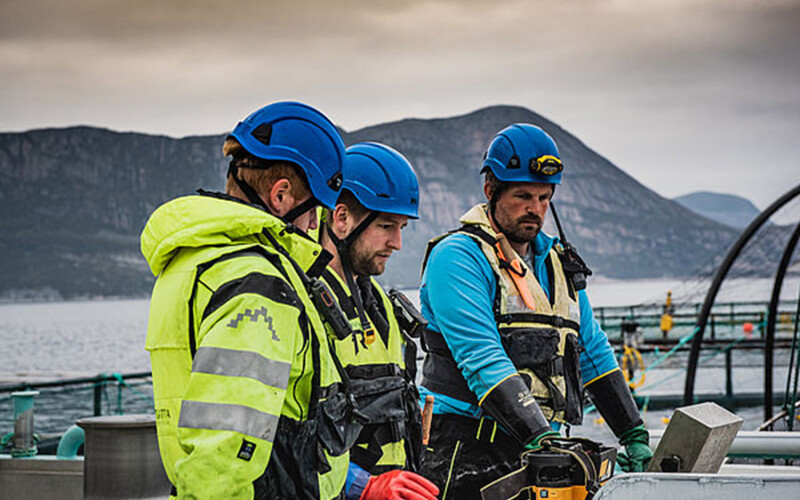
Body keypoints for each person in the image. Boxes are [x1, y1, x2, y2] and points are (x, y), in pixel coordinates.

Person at [142, 101, 384, 500]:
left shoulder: (190, 264)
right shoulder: (257, 284)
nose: (315, 225)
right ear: (281, 195)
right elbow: (224, 451)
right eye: (314, 209)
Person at [417, 124, 653, 499]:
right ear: (490, 191)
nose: (535, 209)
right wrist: (541, 436)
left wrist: (633, 432)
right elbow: (481, 356)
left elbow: (590, 349)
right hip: (465, 449)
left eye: (545, 198)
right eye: (523, 196)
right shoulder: (457, 257)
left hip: (540, 448)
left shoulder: (559, 263)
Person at [318, 142, 439, 500]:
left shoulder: (382, 307)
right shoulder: (300, 305)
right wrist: (361, 486)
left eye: (401, 227)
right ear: (341, 218)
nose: (397, 243)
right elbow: (283, 432)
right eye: (386, 226)